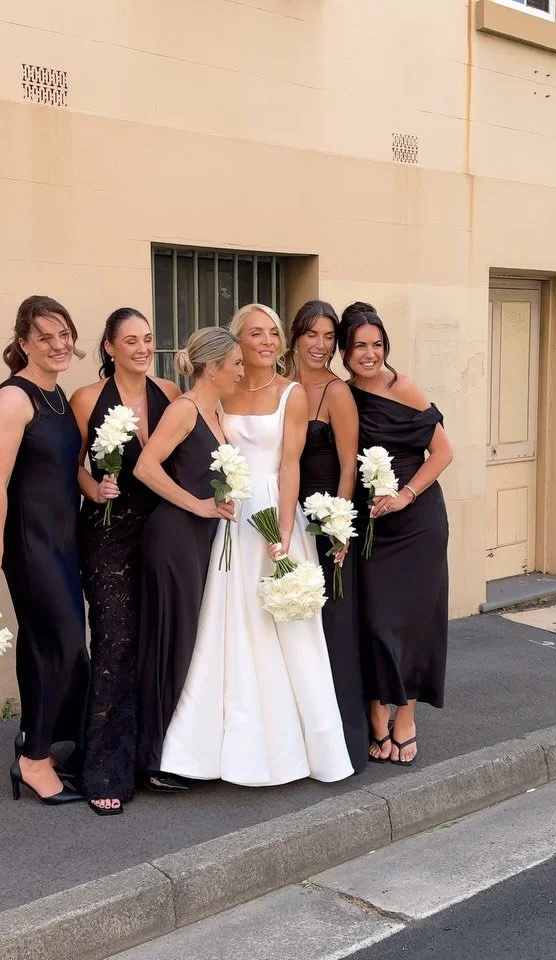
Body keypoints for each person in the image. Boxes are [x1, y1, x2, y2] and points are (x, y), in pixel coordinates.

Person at [160, 304, 354, 787]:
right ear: (236, 342)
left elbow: (291, 465)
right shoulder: (219, 392)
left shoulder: (292, 394)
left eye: (273, 333)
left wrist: (285, 529)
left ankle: (305, 747)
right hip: (229, 516)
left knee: (286, 626)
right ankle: (213, 747)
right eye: (256, 333)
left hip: (274, 512)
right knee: (228, 622)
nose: (267, 341)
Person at [0, 296, 89, 805]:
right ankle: (34, 762)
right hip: (29, 541)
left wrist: (95, 487)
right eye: (46, 337)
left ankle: (34, 739)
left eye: (65, 334)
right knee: (60, 641)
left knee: (49, 642)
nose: (60, 345)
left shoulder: (58, 396)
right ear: (24, 343)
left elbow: (63, 471)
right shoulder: (14, 398)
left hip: (64, 538)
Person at [70, 308, 180, 816]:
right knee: (115, 639)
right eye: (130, 340)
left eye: (148, 339)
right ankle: (103, 768)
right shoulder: (86, 399)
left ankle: (151, 757)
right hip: (108, 534)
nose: (142, 348)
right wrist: (97, 488)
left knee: (156, 639)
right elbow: (76, 469)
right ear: (109, 347)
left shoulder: (170, 394)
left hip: (160, 531)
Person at [338, 302, 453, 767]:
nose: (369, 354)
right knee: (373, 621)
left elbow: (443, 451)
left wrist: (406, 495)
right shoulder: (341, 396)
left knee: (410, 622)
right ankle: (374, 712)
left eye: (377, 344)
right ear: (344, 351)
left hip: (417, 519)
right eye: (360, 346)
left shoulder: (401, 387)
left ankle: (404, 718)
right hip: (370, 526)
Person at [134, 327, 243, 792]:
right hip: (175, 538)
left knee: (191, 641)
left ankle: (179, 750)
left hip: (203, 541)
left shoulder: (215, 410)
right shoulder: (184, 409)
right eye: (235, 362)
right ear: (212, 367)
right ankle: (152, 760)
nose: (242, 370)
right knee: (170, 642)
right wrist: (197, 505)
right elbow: (145, 467)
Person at [290, 300, 369, 773]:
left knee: (333, 626)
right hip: (281, 520)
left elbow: (348, 463)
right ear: (297, 335)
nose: (319, 345)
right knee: (294, 628)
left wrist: (339, 526)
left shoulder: (337, 392)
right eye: (311, 335)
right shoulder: (278, 384)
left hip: (324, 522)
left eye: (327, 336)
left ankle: (345, 742)